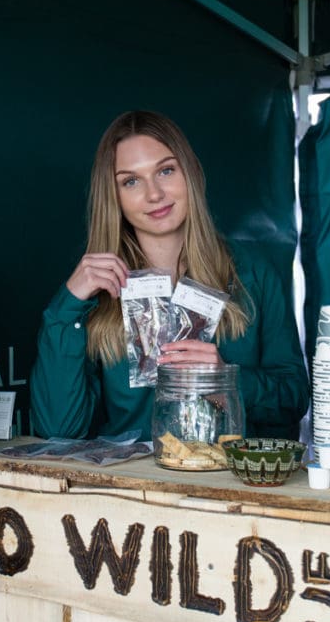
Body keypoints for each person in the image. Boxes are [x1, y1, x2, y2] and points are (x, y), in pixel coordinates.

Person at [30, 110, 308, 441]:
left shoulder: (253, 273)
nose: (154, 194)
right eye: (130, 181)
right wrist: (65, 309)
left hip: (230, 483)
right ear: (114, 196)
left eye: (165, 170)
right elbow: (58, 430)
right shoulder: (95, 294)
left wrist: (227, 382)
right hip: (130, 489)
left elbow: (293, 400)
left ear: (189, 172)